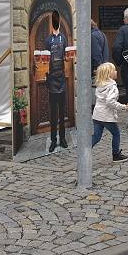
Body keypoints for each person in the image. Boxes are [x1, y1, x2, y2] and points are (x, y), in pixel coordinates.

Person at [92, 62, 128, 162]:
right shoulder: (112, 86)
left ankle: (84, 152)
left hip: (97, 115)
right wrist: (123, 107)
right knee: (116, 134)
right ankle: (116, 155)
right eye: (114, 70)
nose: (116, 71)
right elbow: (110, 102)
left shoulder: (100, 85)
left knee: (96, 136)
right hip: (106, 116)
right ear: (109, 74)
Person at [45, 10, 69, 151]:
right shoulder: (48, 40)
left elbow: (67, 56)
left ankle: (63, 138)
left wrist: (69, 58)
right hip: (52, 80)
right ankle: (54, 140)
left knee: (62, 112)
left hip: (62, 79)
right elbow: (45, 59)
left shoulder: (63, 39)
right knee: (53, 113)